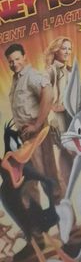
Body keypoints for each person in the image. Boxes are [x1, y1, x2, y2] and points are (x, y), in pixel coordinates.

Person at [5, 43, 57, 183]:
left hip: (37, 132)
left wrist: (36, 125)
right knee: (34, 174)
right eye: (11, 61)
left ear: (24, 57)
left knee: (45, 173)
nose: (14, 64)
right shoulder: (17, 79)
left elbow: (48, 94)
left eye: (17, 59)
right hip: (26, 134)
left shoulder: (30, 75)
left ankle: (58, 196)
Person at [45, 36, 74, 193]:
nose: (67, 51)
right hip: (57, 118)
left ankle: (69, 193)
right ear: (56, 51)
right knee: (66, 151)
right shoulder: (51, 70)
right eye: (64, 48)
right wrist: (53, 107)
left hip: (71, 115)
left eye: (69, 49)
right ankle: (67, 194)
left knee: (69, 153)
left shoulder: (69, 70)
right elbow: (42, 95)